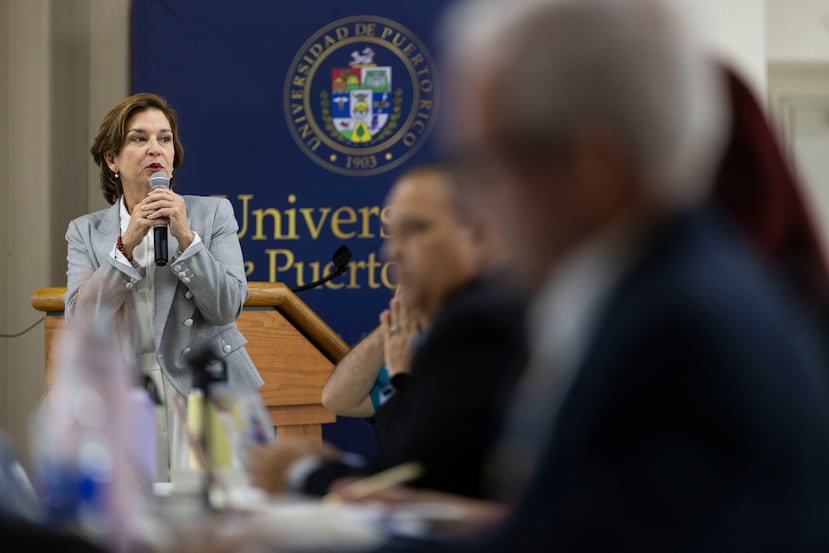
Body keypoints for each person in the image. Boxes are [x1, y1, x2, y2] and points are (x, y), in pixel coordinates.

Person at [385, 0, 829, 551]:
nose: (478, 204)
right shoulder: (666, 293)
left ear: (594, 170)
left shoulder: (676, 337)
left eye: (486, 163)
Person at [247, 160, 526, 499]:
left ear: (478, 234)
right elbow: (340, 402)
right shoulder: (422, 334)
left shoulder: (480, 323)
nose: (391, 252)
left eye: (416, 230)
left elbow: (417, 482)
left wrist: (303, 472)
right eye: (392, 235)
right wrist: (395, 326)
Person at [64, 92, 263, 481]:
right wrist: (125, 247)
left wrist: (187, 238)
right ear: (112, 160)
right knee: (136, 511)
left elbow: (227, 306)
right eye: (139, 138)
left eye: (164, 138)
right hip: (125, 395)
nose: (155, 148)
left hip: (209, 391)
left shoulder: (213, 214)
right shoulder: (85, 232)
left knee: (216, 508)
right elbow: (81, 319)